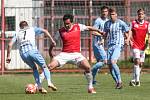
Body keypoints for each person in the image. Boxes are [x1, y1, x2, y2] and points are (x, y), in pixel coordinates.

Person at [48, 14, 103, 94]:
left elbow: (88, 27)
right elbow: (53, 43)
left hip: (77, 55)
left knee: (88, 67)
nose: (66, 25)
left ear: (72, 22)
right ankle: (37, 86)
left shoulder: (78, 27)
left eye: (68, 23)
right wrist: (50, 52)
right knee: (49, 66)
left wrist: (98, 30)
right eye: (65, 24)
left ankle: (90, 88)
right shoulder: (60, 31)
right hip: (64, 54)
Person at [6, 21, 57, 93]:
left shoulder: (17, 33)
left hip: (23, 54)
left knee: (34, 68)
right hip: (32, 51)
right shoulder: (32, 29)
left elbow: (10, 45)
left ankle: (39, 86)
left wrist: (8, 56)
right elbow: (45, 31)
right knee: (44, 66)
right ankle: (49, 82)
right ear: (27, 25)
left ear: (20, 27)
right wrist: (52, 40)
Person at [103, 8, 131, 89]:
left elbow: (128, 31)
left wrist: (128, 40)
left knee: (113, 61)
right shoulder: (107, 23)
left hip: (118, 45)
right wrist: (102, 39)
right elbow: (105, 34)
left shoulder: (121, 23)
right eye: (110, 15)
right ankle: (117, 82)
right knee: (109, 65)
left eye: (113, 14)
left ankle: (120, 81)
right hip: (110, 46)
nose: (112, 16)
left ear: (116, 15)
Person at [129, 8, 150, 86]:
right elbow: (130, 31)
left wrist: (148, 42)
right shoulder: (133, 23)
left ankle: (133, 79)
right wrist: (129, 40)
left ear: (144, 15)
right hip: (135, 45)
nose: (140, 15)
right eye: (139, 14)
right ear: (137, 15)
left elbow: (149, 34)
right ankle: (137, 80)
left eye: (142, 14)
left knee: (140, 64)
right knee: (137, 61)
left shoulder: (147, 24)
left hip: (143, 46)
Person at [91, 6, 109, 85]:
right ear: (101, 12)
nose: (104, 13)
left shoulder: (108, 21)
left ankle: (92, 80)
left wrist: (103, 39)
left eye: (106, 11)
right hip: (97, 44)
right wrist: (101, 35)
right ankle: (88, 71)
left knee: (99, 62)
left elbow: (106, 34)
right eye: (103, 11)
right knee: (105, 60)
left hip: (101, 44)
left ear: (107, 12)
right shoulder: (98, 21)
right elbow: (93, 32)